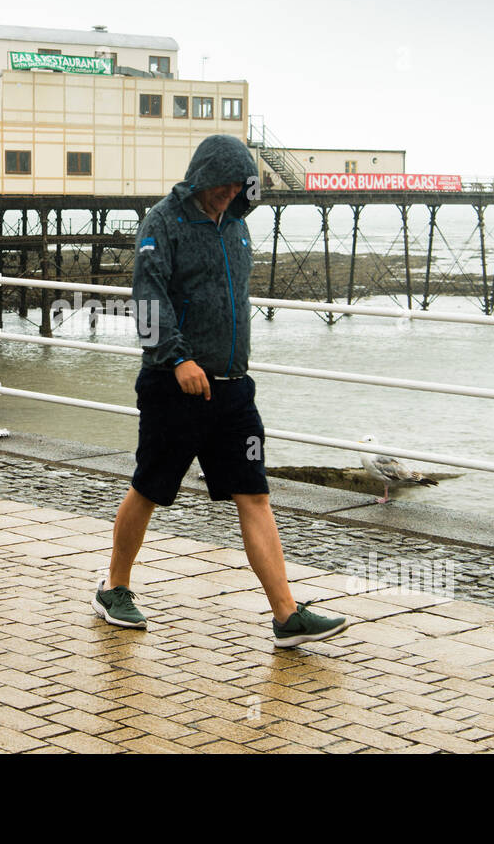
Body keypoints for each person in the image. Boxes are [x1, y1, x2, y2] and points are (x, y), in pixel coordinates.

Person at [93, 134, 350, 648]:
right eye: (221, 185)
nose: (229, 194)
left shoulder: (236, 222)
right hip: (175, 385)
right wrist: (178, 357)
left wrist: (247, 177)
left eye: (238, 186)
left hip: (235, 390)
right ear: (200, 179)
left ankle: (286, 615)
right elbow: (146, 299)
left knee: (254, 493)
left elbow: (253, 191)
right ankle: (114, 588)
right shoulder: (162, 223)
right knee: (149, 487)